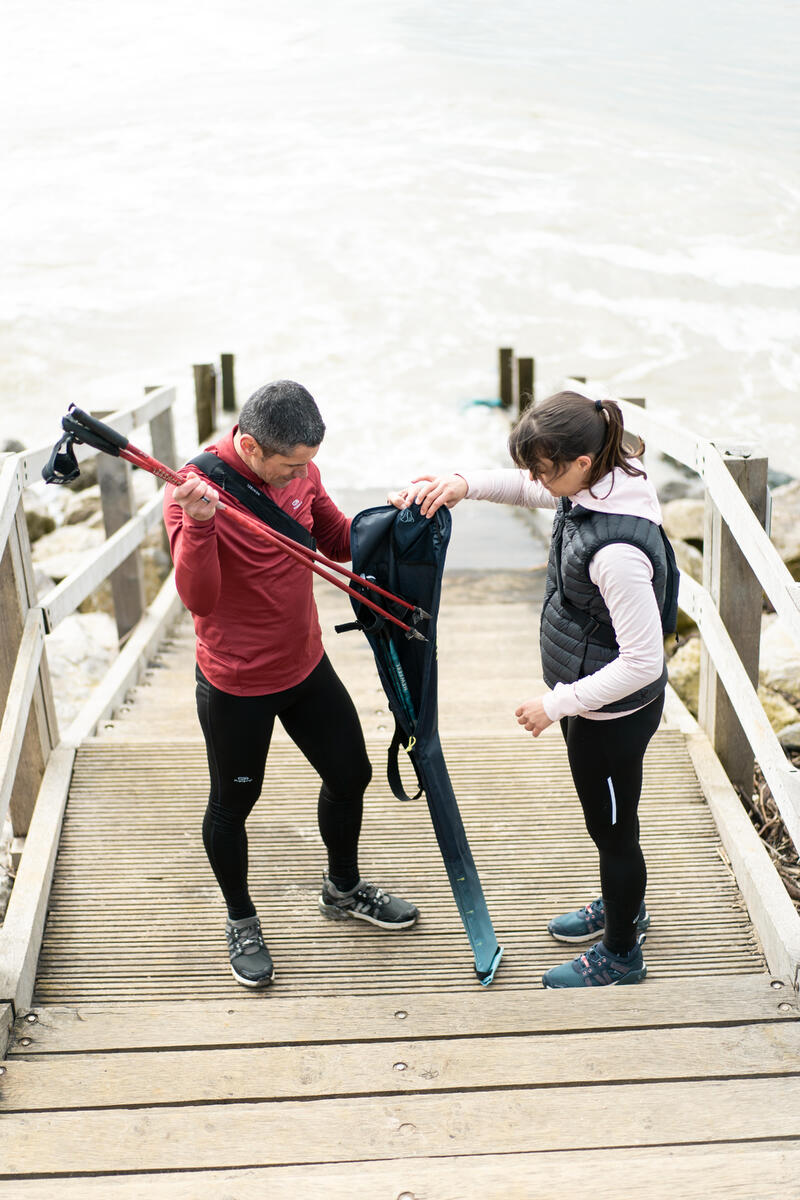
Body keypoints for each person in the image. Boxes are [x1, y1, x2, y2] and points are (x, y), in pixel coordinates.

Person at [394, 390, 669, 988]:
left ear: (581, 463)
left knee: (616, 834)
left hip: (612, 715)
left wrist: (556, 705)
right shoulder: (601, 478)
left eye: (547, 469)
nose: (538, 481)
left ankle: (623, 952)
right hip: (593, 699)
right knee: (611, 826)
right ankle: (625, 906)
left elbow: (645, 661)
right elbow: (528, 489)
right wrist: (462, 484)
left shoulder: (617, 553)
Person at [164, 380, 418, 988]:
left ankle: (344, 887)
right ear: (249, 445)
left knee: (351, 774)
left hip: (304, 663)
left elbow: (335, 540)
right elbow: (196, 599)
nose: (300, 474)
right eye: (289, 465)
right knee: (232, 806)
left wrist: (399, 517)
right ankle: (241, 919)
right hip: (236, 682)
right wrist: (200, 527)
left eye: (306, 463)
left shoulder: (301, 470)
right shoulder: (190, 495)